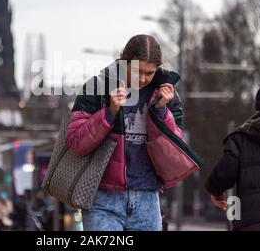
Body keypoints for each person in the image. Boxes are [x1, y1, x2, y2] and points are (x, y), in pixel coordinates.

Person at [66, 34, 183, 231]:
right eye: (137, 71)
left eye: (150, 72)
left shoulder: (166, 94)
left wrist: (162, 110)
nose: (143, 78)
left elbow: (176, 149)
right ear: (124, 62)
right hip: (102, 199)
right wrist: (109, 112)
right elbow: (76, 142)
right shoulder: (97, 88)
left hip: (147, 199)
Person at [206, 82, 260, 231]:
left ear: (257, 107)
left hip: (250, 224)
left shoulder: (241, 138)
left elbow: (223, 173)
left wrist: (215, 192)